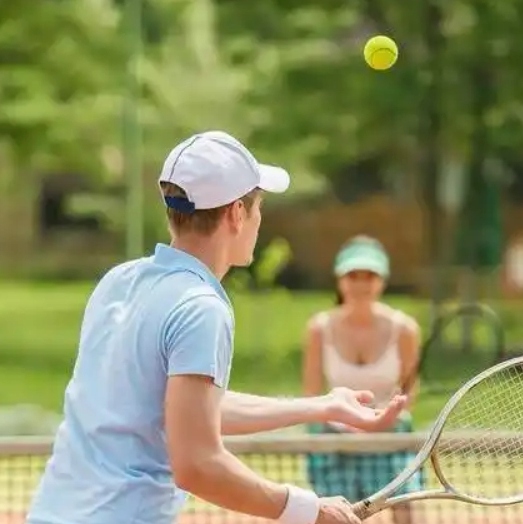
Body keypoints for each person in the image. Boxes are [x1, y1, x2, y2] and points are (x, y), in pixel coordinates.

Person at [25, 131, 409, 524]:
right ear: (237, 214)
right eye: (257, 206)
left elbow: (183, 408)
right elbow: (197, 464)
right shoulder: (201, 308)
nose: (259, 220)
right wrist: (308, 509)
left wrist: (323, 406)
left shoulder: (119, 282)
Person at [303, 236, 423, 524]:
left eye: (369, 276)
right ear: (340, 280)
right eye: (352, 276)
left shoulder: (405, 329)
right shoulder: (318, 329)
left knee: (405, 507)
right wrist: (343, 426)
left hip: (387, 438)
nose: (360, 284)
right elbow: (311, 395)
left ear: (381, 281)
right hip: (335, 442)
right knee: (332, 516)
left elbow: (410, 394)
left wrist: (383, 421)